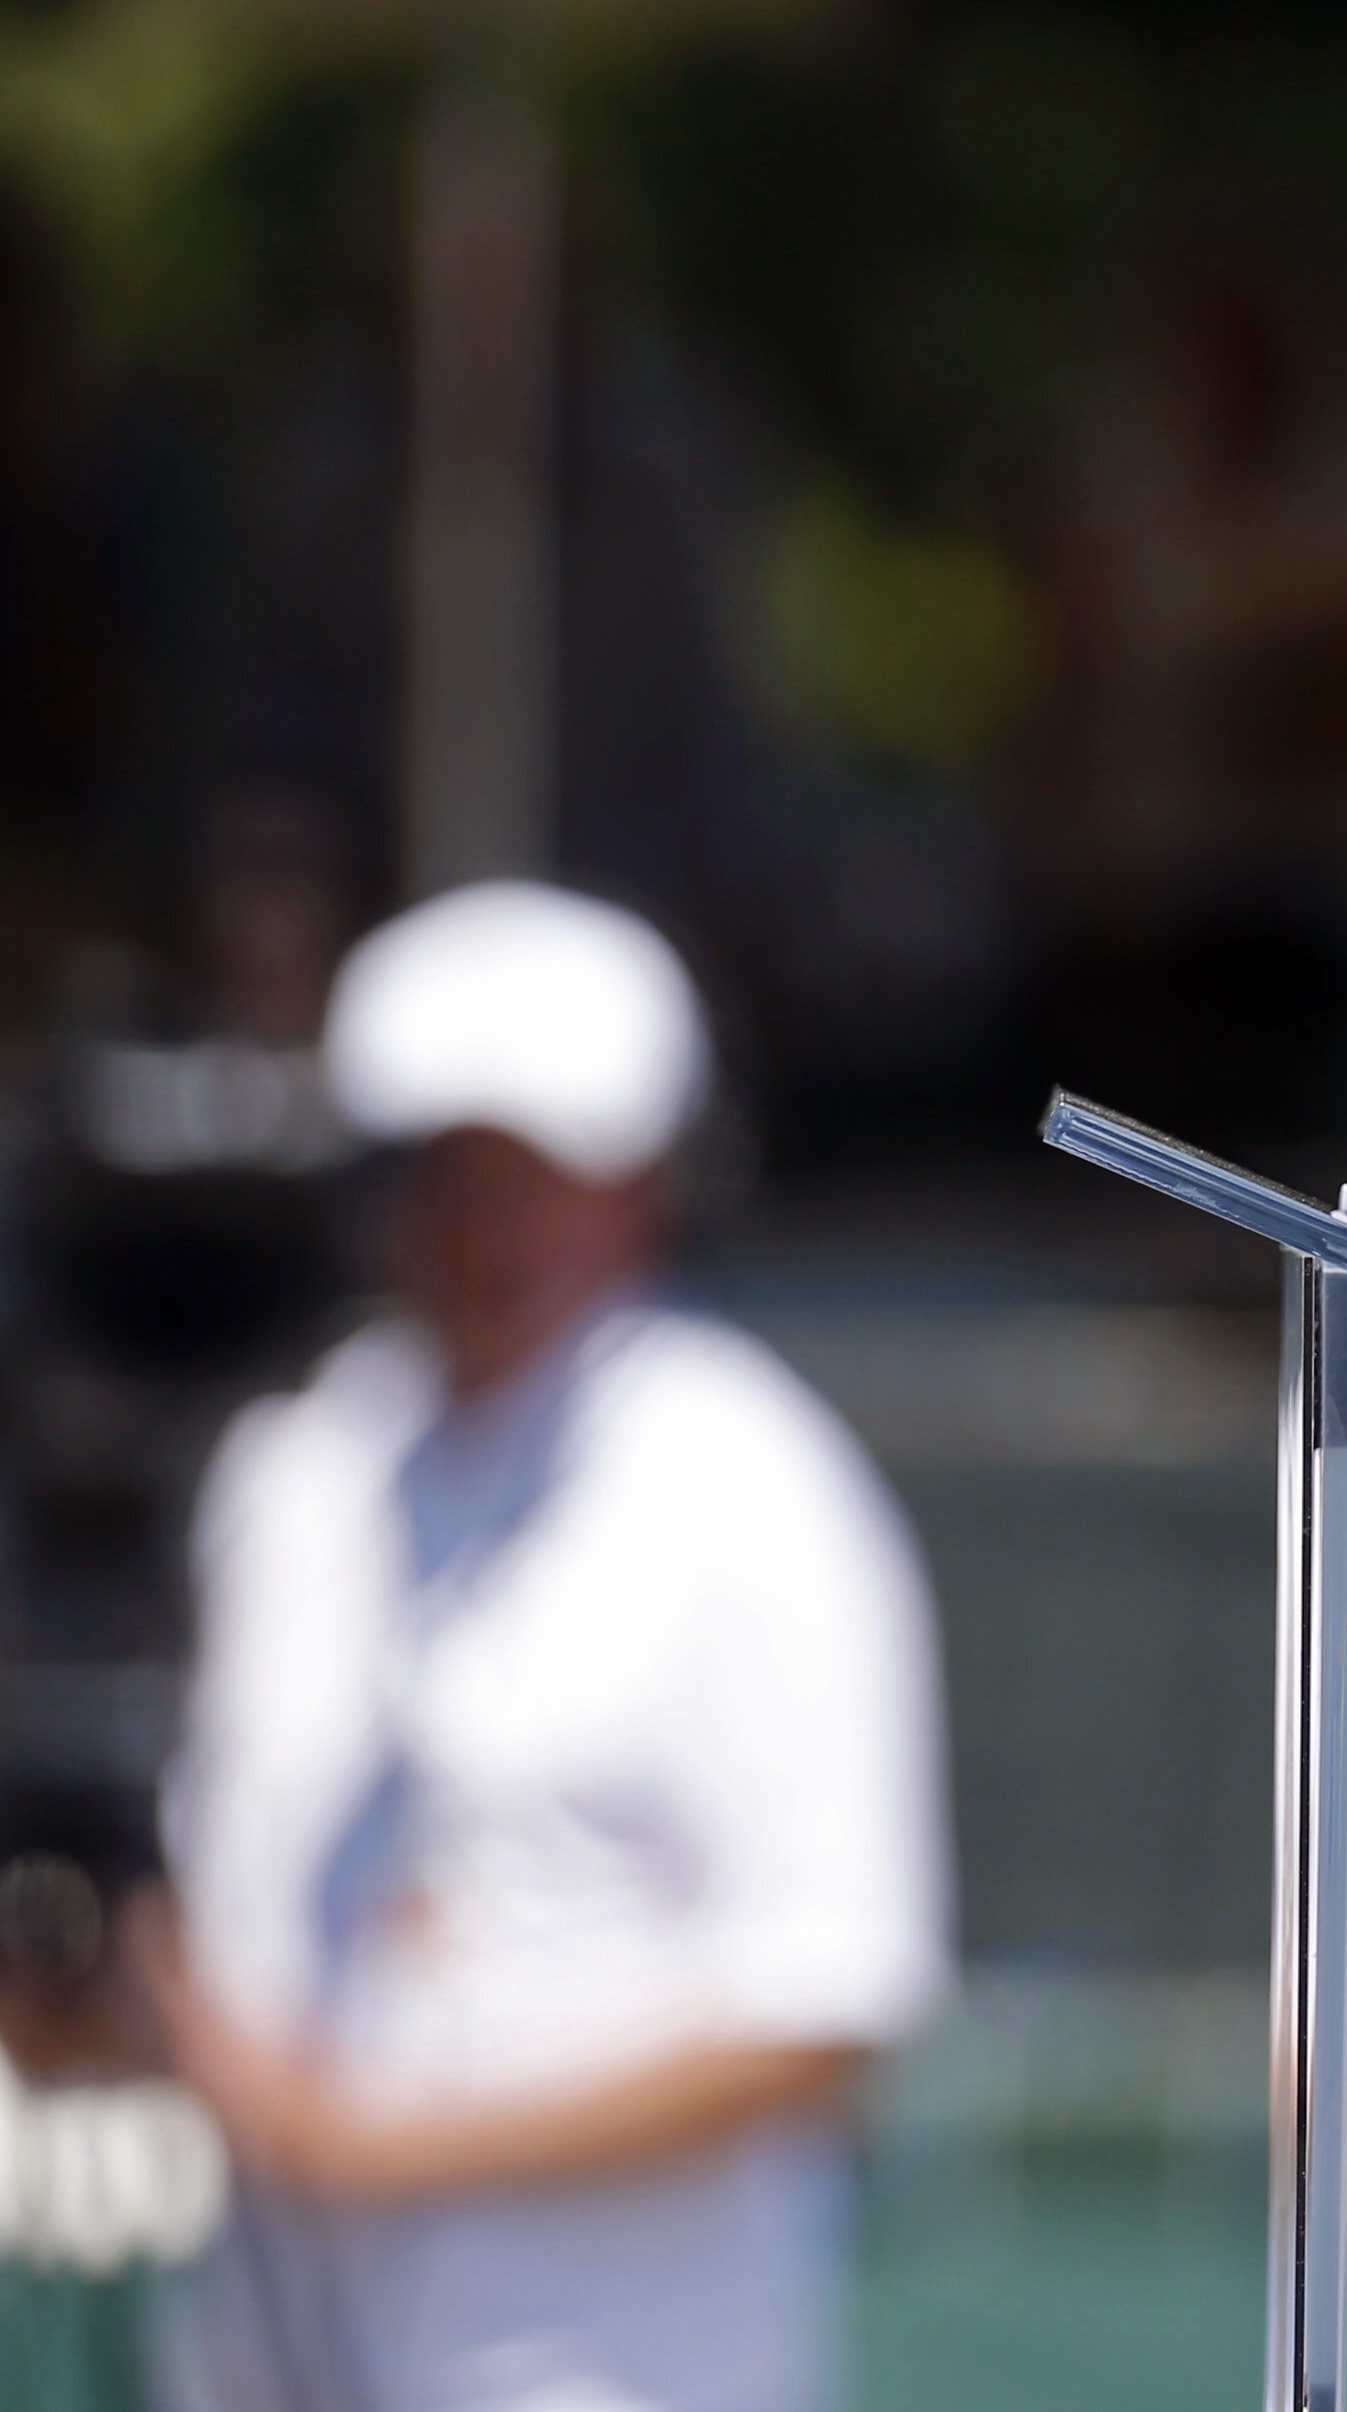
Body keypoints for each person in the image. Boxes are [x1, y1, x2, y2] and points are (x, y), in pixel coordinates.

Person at [137, 881, 949, 2412]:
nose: (482, 1226)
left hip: (606, 2371)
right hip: (264, 2353)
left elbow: (829, 2007)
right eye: (445, 1170)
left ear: (647, 1179)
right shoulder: (300, 1462)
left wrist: (369, 2143)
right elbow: (205, 1865)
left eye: (538, 1172)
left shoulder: (756, 1490)